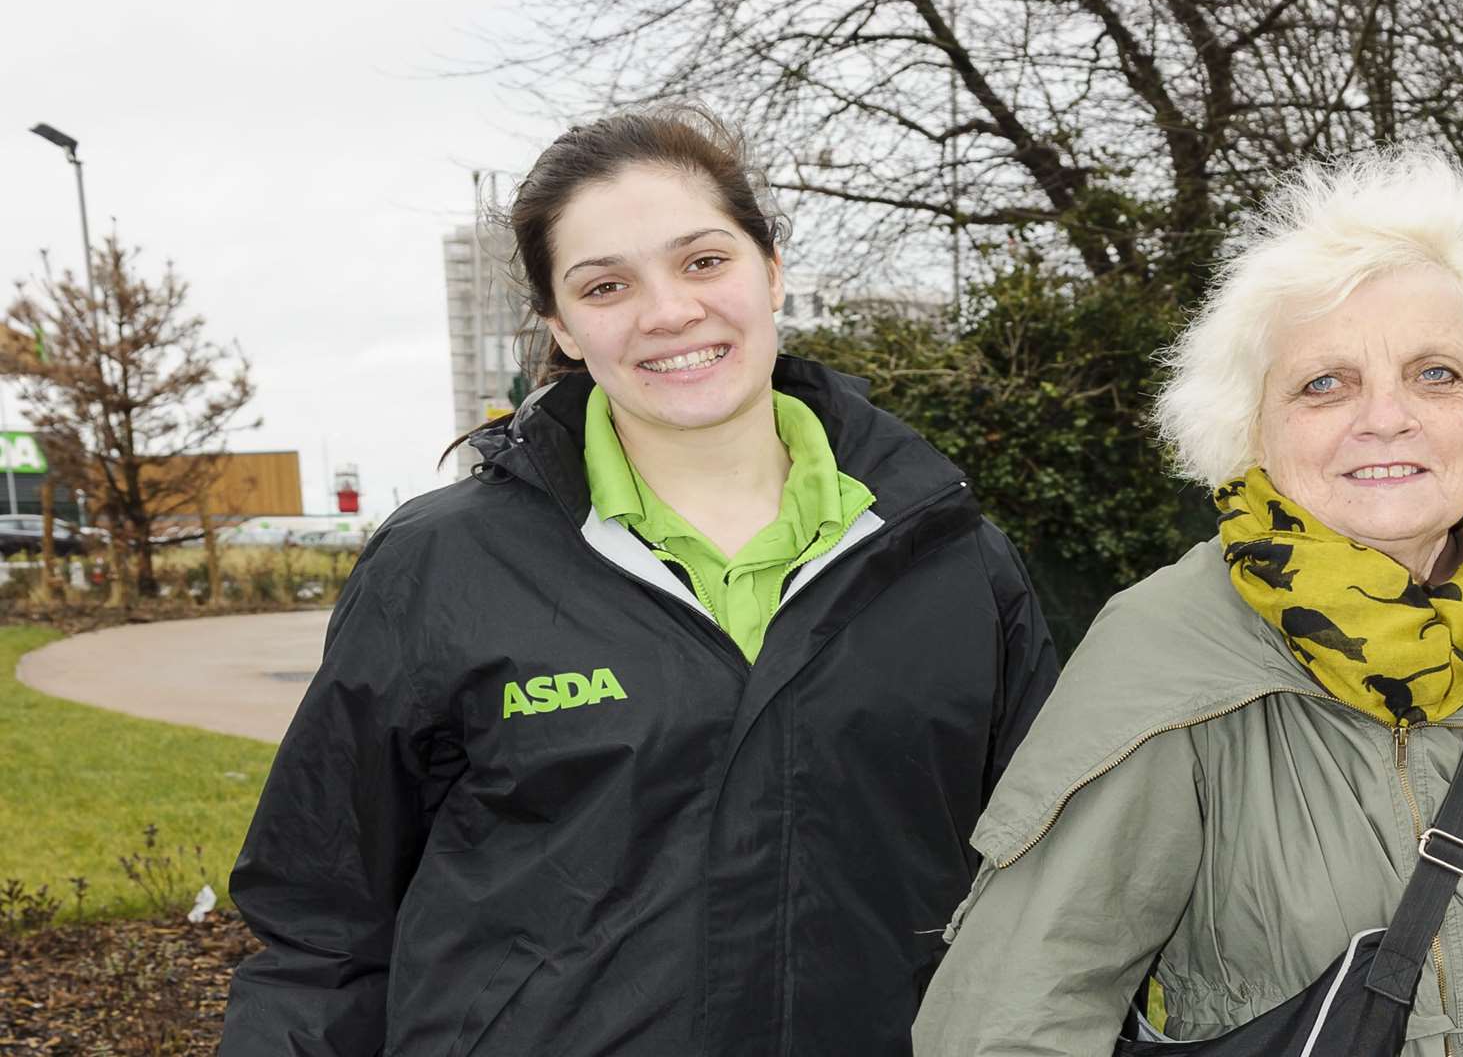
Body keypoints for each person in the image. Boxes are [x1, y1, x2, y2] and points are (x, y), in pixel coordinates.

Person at [219, 106, 1057, 1056]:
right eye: (606, 285)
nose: (668, 312)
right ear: (561, 326)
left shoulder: (954, 562)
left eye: (703, 261)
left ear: (771, 271)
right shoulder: (441, 567)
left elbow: (1049, 898)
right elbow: (324, 930)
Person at [914, 147, 1463, 1057]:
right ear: (1251, 428)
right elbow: (1017, 1013)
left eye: (1435, 373)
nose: (1387, 417)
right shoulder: (1165, 656)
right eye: (1326, 383)